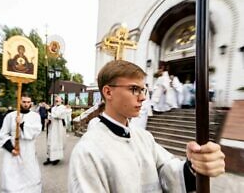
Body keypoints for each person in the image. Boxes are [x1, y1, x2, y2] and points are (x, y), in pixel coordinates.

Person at [68, 60, 225, 193]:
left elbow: (167, 172)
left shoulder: (144, 137)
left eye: (142, 90)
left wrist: (194, 165)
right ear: (108, 92)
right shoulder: (87, 151)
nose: (143, 97)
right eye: (134, 89)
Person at [0, 92, 42, 193]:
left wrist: (22, 124)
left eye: (28, 102)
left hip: (28, 151)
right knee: (12, 177)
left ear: (31, 103)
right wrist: (11, 149)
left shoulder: (35, 116)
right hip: (13, 152)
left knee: (29, 175)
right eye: (24, 102)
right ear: (19, 102)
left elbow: (36, 132)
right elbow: (2, 135)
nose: (26, 104)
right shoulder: (10, 116)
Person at [43, 95, 67, 166]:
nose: (56, 100)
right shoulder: (53, 108)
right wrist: (48, 119)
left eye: (58, 99)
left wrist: (49, 109)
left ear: (61, 100)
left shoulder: (63, 107)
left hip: (58, 127)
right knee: (50, 141)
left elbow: (58, 115)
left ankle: (56, 158)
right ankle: (49, 158)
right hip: (52, 126)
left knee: (56, 142)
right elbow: (50, 115)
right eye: (55, 99)